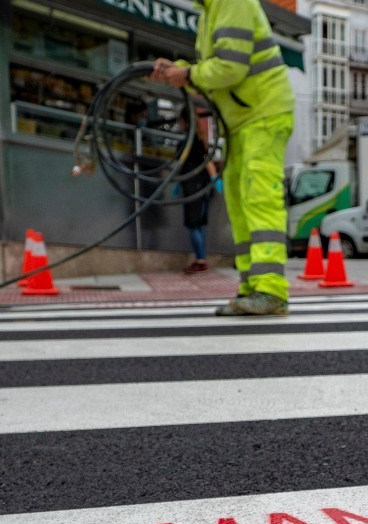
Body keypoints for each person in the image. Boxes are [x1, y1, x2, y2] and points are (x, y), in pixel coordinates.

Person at [146, 0, 295, 316]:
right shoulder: (209, 12)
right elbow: (214, 78)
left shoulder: (231, 2)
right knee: (240, 205)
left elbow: (230, 67)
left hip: (263, 113)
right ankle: (252, 287)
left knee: (259, 198)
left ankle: (271, 290)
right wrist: (178, 72)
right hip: (242, 120)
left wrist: (187, 74)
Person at [176, 107, 221, 274]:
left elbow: (206, 160)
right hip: (195, 185)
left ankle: (200, 260)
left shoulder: (192, 140)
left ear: (183, 120)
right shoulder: (195, 138)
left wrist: (214, 178)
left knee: (193, 223)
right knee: (197, 224)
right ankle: (200, 258)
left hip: (195, 186)